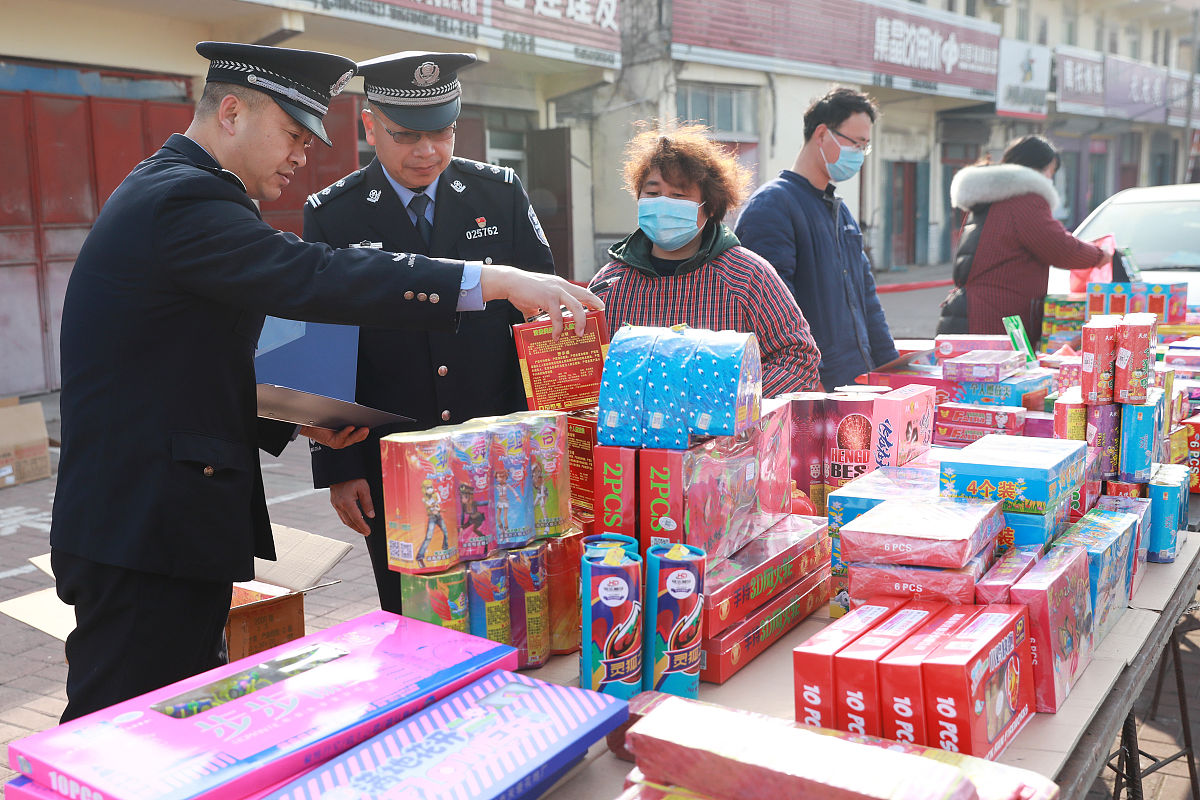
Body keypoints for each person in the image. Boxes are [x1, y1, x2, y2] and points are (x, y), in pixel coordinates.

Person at [48, 41, 599, 723]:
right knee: (118, 729)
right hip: (144, 528)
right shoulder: (184, 200)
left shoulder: (182, 191)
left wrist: (292, 413)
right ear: (230, 112)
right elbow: (316, 276)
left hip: (158, 524)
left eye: (309, 142)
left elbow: (180, 364)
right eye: (292, 134)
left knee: (161, 721)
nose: (301, 157)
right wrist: (489, 279)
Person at [304, 52, 554, 612]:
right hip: (394, 456)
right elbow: (324, 343)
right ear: (370, 127)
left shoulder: (498, 194)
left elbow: (538, 322)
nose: (427, 151)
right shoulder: (334, 214)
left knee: (508, 602)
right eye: (407, 135)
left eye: (442, 133)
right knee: (412, 608)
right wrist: (340, 468)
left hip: (498, 448)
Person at [589, 124, 821, 396]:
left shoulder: (747, 276)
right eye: (652, 193)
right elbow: (582, 374)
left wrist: (731, 400)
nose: (663, 203)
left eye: (678, 195)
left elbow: (798, 359)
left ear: (710, 207)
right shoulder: (609, 285)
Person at [735, 87, 898, 391]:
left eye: (865, 147)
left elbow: (868, 302)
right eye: (856, 143)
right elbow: (770, 314)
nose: (859, 155)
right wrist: (810, 382)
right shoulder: (772, 207)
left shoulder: (839, 212)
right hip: (812, 390)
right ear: (822, 134)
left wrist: (891, 371)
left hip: (855, 386)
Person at [935, 134, 1111, 341]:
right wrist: (1099, 255)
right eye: (1051, 171)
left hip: (976, 310)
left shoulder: (992, 196)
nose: (1050, 179)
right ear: (1037, 169)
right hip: (996, 316)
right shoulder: (1024, 199)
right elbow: (1058, 247)